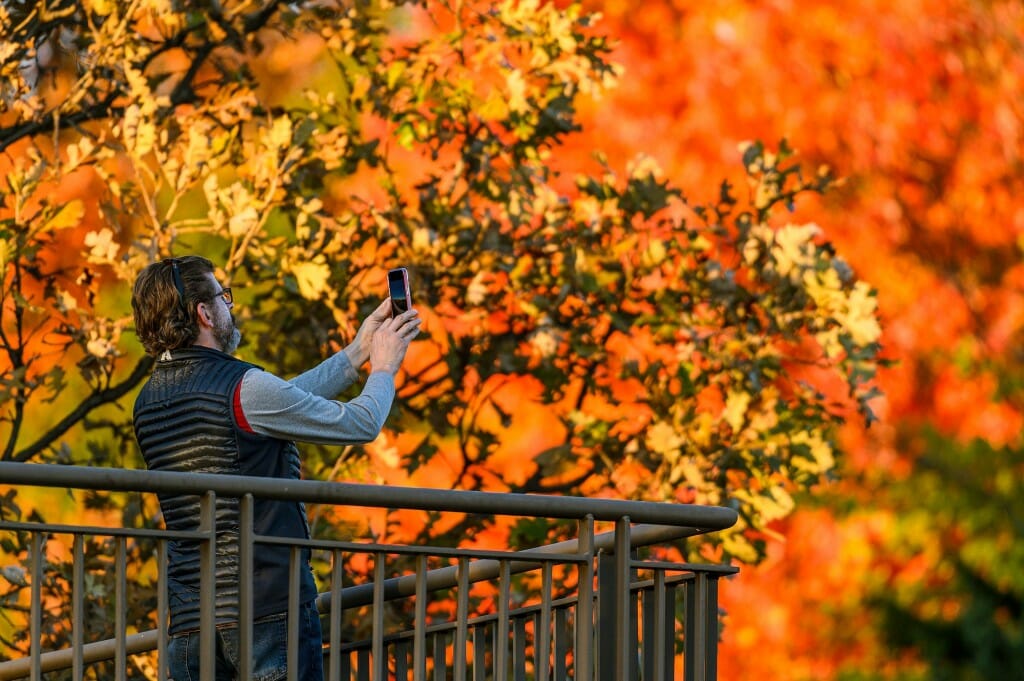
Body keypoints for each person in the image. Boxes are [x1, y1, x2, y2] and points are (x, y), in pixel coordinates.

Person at [131, 256, 420, 681]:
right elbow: (361, 423)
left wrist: (357, 352)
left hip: (192, 619)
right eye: (222, 297)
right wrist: (383, 368)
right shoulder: (243, 385)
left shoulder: (148, 402)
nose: (230, 307)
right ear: (204, 313)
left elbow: (279, 404)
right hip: (267, 606)